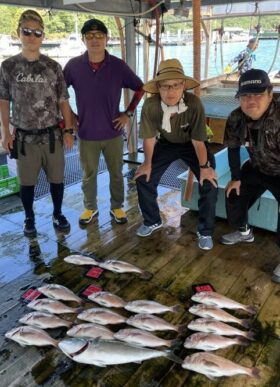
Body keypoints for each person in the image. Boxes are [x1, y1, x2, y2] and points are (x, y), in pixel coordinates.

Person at [0, 10, 74, 238]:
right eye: (27, 31)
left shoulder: (53, 66)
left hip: (52, 136)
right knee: (27, 183)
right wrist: (6, 132)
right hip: (24, 138)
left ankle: (58, 213)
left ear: (43, 36)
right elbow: (3, 101)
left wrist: (69, 130)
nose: (32, 36)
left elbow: (64, 101)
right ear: (19, 33)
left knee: (57, 180)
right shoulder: (8, 66)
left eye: (37, 32)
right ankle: (29, 217)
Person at [63, 18, 143, 226]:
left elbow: (140, 88)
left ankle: (117, 206)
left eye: (99, 36)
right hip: (86, 133)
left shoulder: (118, 66)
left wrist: (128, 113)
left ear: (107, 39)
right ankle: (90, 207)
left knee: (117, 173)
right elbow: (58, 94)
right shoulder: (73, 66)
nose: (95, 40)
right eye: (89, 36)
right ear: (83, 40)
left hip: (113, 133)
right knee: (88, 175)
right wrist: (70, 118)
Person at [134, 59, 218, 250]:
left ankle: (205, 231)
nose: (170, 91)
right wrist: (147, 163)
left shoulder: (194, 103)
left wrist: (205, 168)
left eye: (175, 85)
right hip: (166, 143)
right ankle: (152, 220)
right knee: (143, 178)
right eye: (164, 86)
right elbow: (148, 139)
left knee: (209, 182)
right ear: (157, 87)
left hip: (192, 144)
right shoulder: (150, 105)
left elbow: (198, 141)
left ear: (183, 86)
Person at [220, 69, 280, 252]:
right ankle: (244, 232)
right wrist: (236, 177)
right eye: (245, 95)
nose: (251, 101)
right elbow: (233, 148)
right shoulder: (236, 118)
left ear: (270, 95)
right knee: (233, 193)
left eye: (258, 94)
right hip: (255, 167)